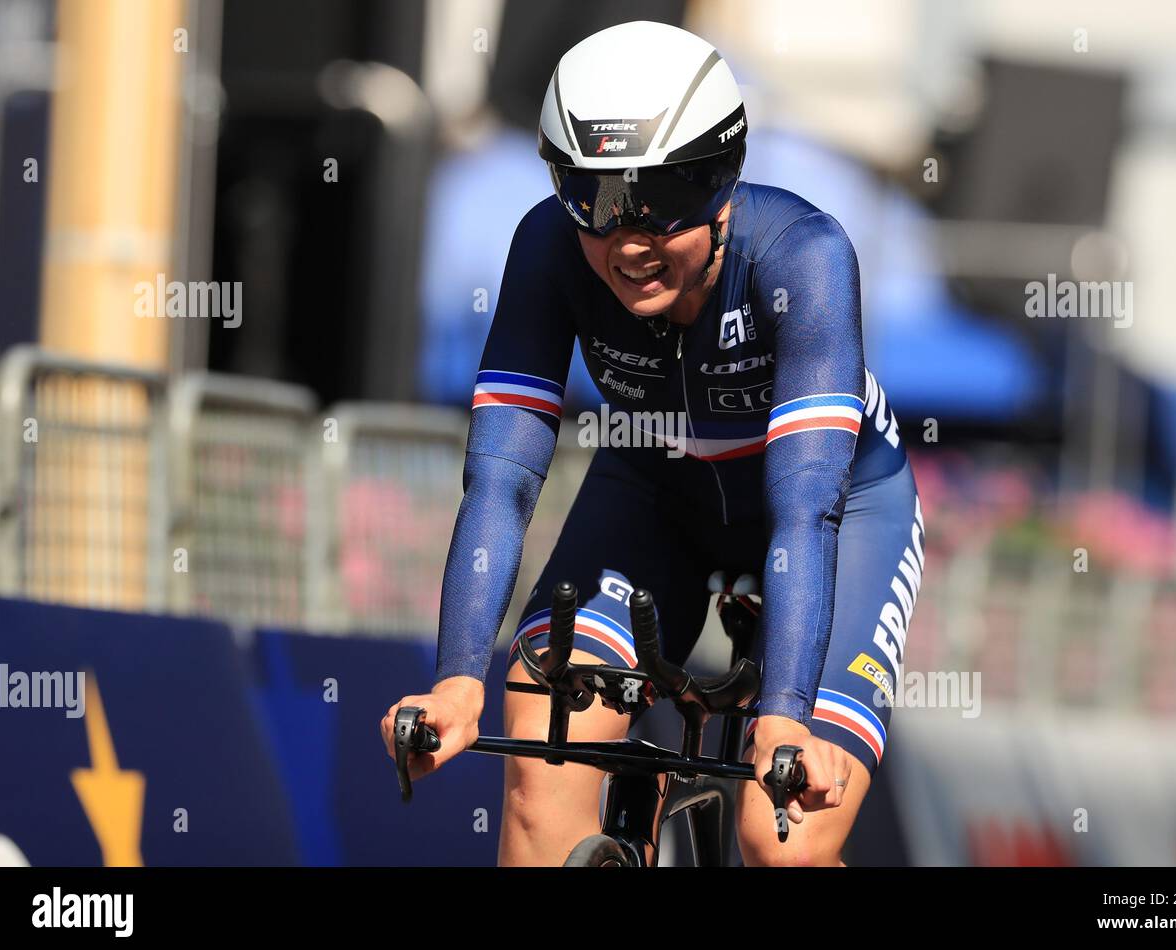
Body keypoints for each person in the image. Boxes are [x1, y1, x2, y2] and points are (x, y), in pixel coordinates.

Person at [381, 19, 924, 866]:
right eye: (593, 196)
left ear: (720, 180)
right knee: (539, 754)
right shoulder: (548, 249)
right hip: (658, 490)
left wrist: (782, 712)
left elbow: (806, 510)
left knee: (780, 838)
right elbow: (500, 481)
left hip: (837, 512)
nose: (628, 238)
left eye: (660, 198)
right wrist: (457, 677)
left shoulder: (802, 256)